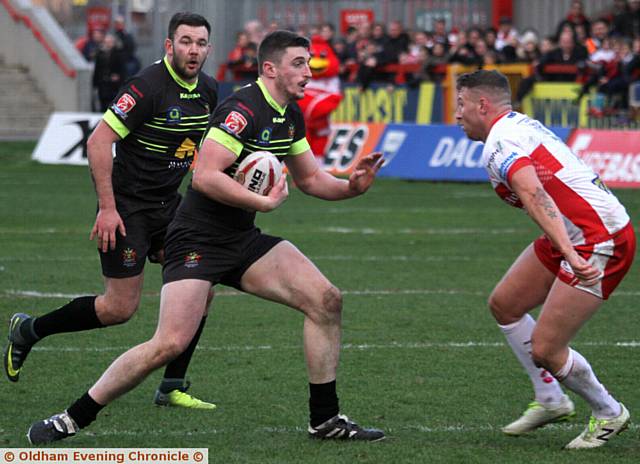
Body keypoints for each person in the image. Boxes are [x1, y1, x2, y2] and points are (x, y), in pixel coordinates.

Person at [26, 29, 385, 445]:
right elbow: (206, 175)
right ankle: (71, 419)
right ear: (270, 68)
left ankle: (324, 420)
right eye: (299, 64)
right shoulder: (241, 110)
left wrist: (351, 187)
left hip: (241, 239)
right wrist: (263, 203)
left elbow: (310, 178)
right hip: (195, 239)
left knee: (326, 300)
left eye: (309, 64)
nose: (309, 72)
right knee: (168, 343)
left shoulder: (289, 114)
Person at [4, 12, 218, 410]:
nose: (194, 50)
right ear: (169, 45)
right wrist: (107, 208)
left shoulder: (208, 89)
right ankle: (29, 330)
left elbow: (197, 147)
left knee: (200, 284)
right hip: (128, 209)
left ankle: (171, 385)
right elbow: (99, 143)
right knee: (119, 308)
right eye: (185, 41)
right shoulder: (146, 87)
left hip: (170, 207)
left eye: (201, 43)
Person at [455, 69, 635, 449]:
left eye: (461, 104)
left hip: (597, 239)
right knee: (505, 305)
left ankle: (608, 412)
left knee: (546, 349)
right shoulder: (516, 126)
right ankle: (552, 400)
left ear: (482, 105)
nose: (457, 114)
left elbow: (535, 194)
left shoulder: (498, 144)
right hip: (577, 233)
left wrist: (570, 252)